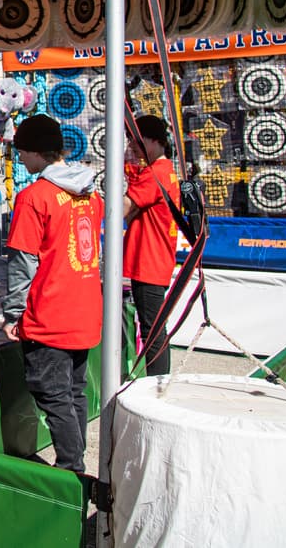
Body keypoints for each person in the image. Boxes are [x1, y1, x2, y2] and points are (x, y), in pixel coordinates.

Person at [1, 115, 102, 475]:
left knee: (53, 395)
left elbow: (22, 264)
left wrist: (13, 314)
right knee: (73, 392)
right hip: (85, 308)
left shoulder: (34, 197)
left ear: (34, 152)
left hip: (51, 313)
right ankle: (76, 462)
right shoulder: (90, 194)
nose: (21, 161)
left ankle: (71, 471)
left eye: (22, 153)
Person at [123, 115, 180, 377]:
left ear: (154, 141)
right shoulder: (162, 171)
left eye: (137, 140)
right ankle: (157, 380)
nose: (132, 145)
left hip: (149, 260)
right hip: (152, 258)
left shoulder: (155, 174)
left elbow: (124, 207)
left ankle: (157, 382)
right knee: (152, 326)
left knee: (152, 329)